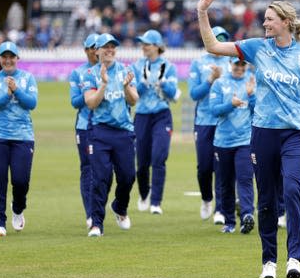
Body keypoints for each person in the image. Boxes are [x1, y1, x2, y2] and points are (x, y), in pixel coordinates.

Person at [197, 0, 300, 278]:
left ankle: (295, 258)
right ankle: (269, 261)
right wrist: (202, 11)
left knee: (291, 190)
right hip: (263, 133)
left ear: (286, 22)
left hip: (296, 134)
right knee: (266, 198)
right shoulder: (256, 48)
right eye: (264, 19)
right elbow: (213, 46)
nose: (265, 24)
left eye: (269, 19)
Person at [83, 33, 139, 237]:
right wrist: (104, 84)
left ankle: (120, 207)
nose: (109, 50)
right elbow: (91, 103)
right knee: (100, 178)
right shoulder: (90, 74)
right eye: (105, 47)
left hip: (124, 131)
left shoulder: (126, 70)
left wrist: (125, 87)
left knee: (128, 177)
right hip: (100, 131)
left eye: (112, 47)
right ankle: (96, 224)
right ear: (96, 50)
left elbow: (133, 100)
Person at [0, 42, 38, 237]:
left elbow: (32, 103)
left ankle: (18, 207)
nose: (8, 60)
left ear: (17, 58)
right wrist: (6, 95)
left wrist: (17, 90)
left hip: (23, 136)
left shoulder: (28, 78)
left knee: (21, 180)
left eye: (11, 56)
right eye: (4, 57)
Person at [130, 29, 179, 215]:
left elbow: (174, 94)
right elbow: (133, 95)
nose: (143, 47)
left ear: (157, 46)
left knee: (159, 157)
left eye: (147, 44)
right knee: (142, 162)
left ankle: (156, 202)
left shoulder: (169, 66)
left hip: (162, 115)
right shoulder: (136, 66)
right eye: (142, 44)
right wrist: (141, 86)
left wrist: (165, 84)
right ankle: (144, 194)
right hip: (141, 116)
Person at [187, 26, 231, 225]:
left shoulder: (231, 63)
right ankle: (207, 198)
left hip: (225, 121)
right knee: (204, 167)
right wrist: (210, 80)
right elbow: (194, 94)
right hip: (204, 121)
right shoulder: (198, 63)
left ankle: (221, 209)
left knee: (222, 167)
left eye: (222, 39)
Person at [209, 57, 256, 234]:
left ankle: (246, 215)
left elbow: (258, 109)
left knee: (245, 179)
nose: (239, 67)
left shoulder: (251, 81)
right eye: (236, 64)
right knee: (226, 182)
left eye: (242, 64)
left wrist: (251, 96)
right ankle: (229, 221)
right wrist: (231, 104)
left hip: (245, 140)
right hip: (222, 141)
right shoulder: (220, 83)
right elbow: (214, 110)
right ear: (231, 64)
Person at [68, 33, 99, 229]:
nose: (96, 51)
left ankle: (103, 207)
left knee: (107, 170)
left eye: (99, 47)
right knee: (88, 169)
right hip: (84, 126)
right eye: (92, 48)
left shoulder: (111, 70)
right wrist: (89, 92)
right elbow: (75, 102)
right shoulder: (77, 73)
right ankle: (90, 213)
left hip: (107, 126)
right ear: (86, 50)